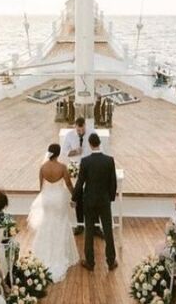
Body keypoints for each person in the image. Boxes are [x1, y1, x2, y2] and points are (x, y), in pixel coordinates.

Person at [28, 142, 79, 282]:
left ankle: (43, 253)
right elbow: (68, 184)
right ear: (58, 153)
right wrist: (75, 196)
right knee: (61, 223)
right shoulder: (62, 167)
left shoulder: (42, 167)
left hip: (47, 198)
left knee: (47, 222)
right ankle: (59, 253)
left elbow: (41, 187)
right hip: (58, 198)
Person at [73, 132, 118, 271]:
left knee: (89, 231)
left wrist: (74, 198)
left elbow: (80, 183)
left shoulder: (85, 161)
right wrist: (110, 198)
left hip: (89, 200)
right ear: (100, 143)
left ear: (90, 144)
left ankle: (90, 262)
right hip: (104, 200)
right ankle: (111, 261)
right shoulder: (109, 160)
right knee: (108, 230)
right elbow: (113, 183)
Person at [61, 116, 96, 236]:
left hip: (90, 168)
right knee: (78, 197)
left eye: (82, 130)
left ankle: (95, 226)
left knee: (92, 197)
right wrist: (75, 151)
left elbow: (97, 148)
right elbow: (65, 152)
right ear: (75, 126)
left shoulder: (92, 133)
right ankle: (80, 224)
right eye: (78, 130)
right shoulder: (69, 135)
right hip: (76, 169)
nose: (81, 132)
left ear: (85, 125)